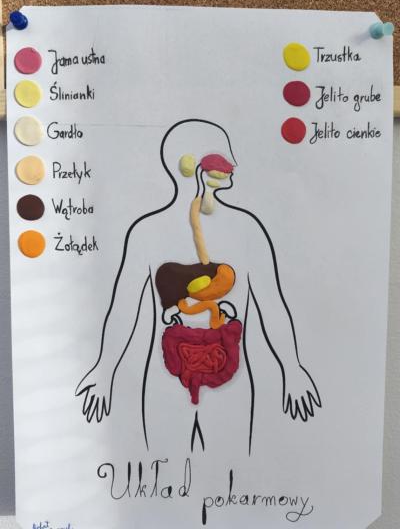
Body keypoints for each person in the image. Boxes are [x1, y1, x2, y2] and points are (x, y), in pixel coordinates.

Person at [76, 119, 321, 455]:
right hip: (166, 373)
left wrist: (292, 369)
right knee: (162, 464)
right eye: (224, 161)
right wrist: (104, 371)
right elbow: (124, 308)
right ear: (190, 166)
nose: (234, 167)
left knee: (234, 463)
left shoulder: (247, 229)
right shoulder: (146, 232)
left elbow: (272, 305)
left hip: (230, 374)